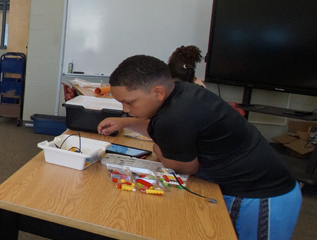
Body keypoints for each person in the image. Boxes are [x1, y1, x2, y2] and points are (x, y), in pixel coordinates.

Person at [98, 55, 301, 240]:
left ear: (158, 92)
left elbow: (184, 167)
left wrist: (159, 149)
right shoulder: (183, 91)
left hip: (261, 196)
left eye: (129, 102)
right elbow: (159, 129)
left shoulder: (175, 116)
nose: (125, 109)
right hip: (247, 186)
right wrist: (125, 122)